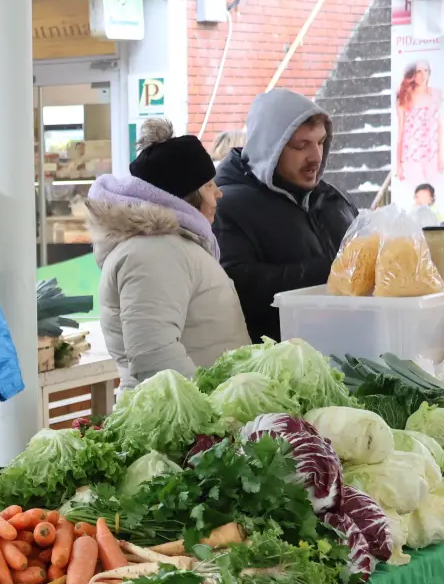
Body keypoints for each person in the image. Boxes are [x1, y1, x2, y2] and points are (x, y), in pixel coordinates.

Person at [88, 119, 250, 387]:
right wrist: (208, 414)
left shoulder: (170, 246)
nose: (218, 194)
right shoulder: (153, 252)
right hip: (184, 420)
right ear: (184, 195)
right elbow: (156, 358)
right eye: (209, 185)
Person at [213, 89, 357, 343]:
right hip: (276, 366)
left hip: (347, 354)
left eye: (321, 142)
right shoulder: (225, 206)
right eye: (301, 145)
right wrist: (330, 271)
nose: (316, 157)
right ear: (270, 147)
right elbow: (238, 287)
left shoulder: (333, 199)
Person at [395, 61, 443, 187]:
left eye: (426, 71)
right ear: (413, 75)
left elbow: (439, 127)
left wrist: (440, 156)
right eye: (418, 71)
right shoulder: (404, 98)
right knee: (419, 193)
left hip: (431, 153)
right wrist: (398, 164)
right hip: (411, 154)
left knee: (433, 195)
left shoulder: (436, 94)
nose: (423, 75)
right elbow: (400, 132)